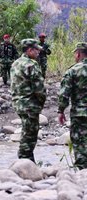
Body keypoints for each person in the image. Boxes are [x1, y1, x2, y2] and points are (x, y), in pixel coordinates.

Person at [10, 39, 46, 163]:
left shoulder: (15, 63)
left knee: (26, 131)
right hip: (30, 104)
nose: (38, 53)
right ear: (30, 50)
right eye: (36, 50)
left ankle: (28, 161)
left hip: (18, 103)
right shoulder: (32, 64)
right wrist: (41, 102)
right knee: (30, 135)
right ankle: (24, 160)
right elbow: (39, 88)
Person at [58, 42, 87, 170]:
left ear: (79, 54)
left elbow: (65, 93)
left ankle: (81, 169)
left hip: (80, 114)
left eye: (75, 53)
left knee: (79, 140)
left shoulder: (73, 71)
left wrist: (61, 110)